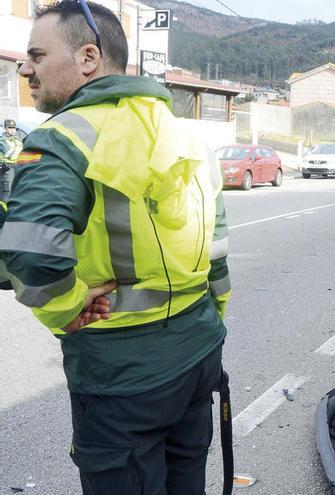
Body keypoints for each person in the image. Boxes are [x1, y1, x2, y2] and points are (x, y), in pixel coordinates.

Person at [0, 2, 231, 493]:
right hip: (199, 352)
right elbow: (218, 247)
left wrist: (65, 308)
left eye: (37, 55)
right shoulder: (189, 135)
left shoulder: (62, 137)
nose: (25, 68)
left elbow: (31, 252)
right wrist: (211, 318)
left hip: (122, 375)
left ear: (88, 58)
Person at [0, 119, 23, 201]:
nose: (12, 130)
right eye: (10, 127)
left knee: (19, 192)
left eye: (14, 128)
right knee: (6, 195)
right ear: (5, 128)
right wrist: (2, 167)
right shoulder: (2, 142)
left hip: (19, 169)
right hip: (7, 170)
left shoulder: (19, 140)